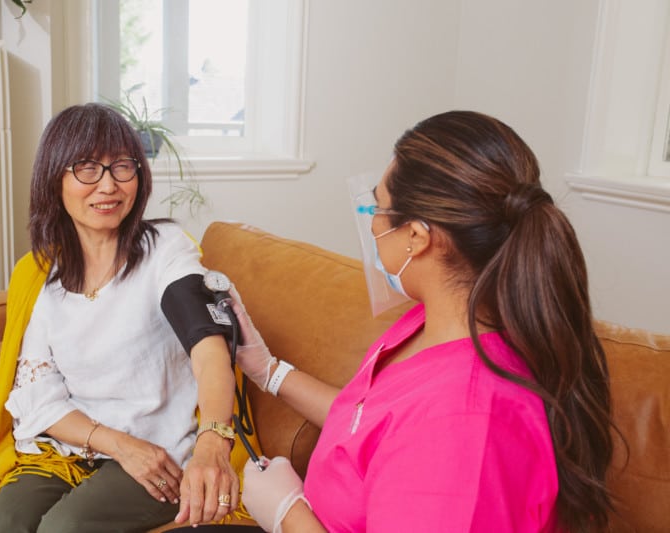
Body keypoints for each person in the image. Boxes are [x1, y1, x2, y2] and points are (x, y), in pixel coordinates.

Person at [233, 111, 616, 532]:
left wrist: (288, 515)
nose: (373, 220)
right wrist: (268, 371)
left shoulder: (467, 424)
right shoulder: (430, 323)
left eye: (378, 206)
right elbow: (368, 424)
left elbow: (426, 437)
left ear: (416, 235)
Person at [0, 102, 240, 532]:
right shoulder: (43, 274)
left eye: (122, 166)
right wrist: (116, 443)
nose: (109, 185)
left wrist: (213, 440)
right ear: (54, 178)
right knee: (3, 523)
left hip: (160, 453)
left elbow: (208, 345)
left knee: (64, 528)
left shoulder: (166, 252)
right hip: (73, 450)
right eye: (86, 168)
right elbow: (40, 397)